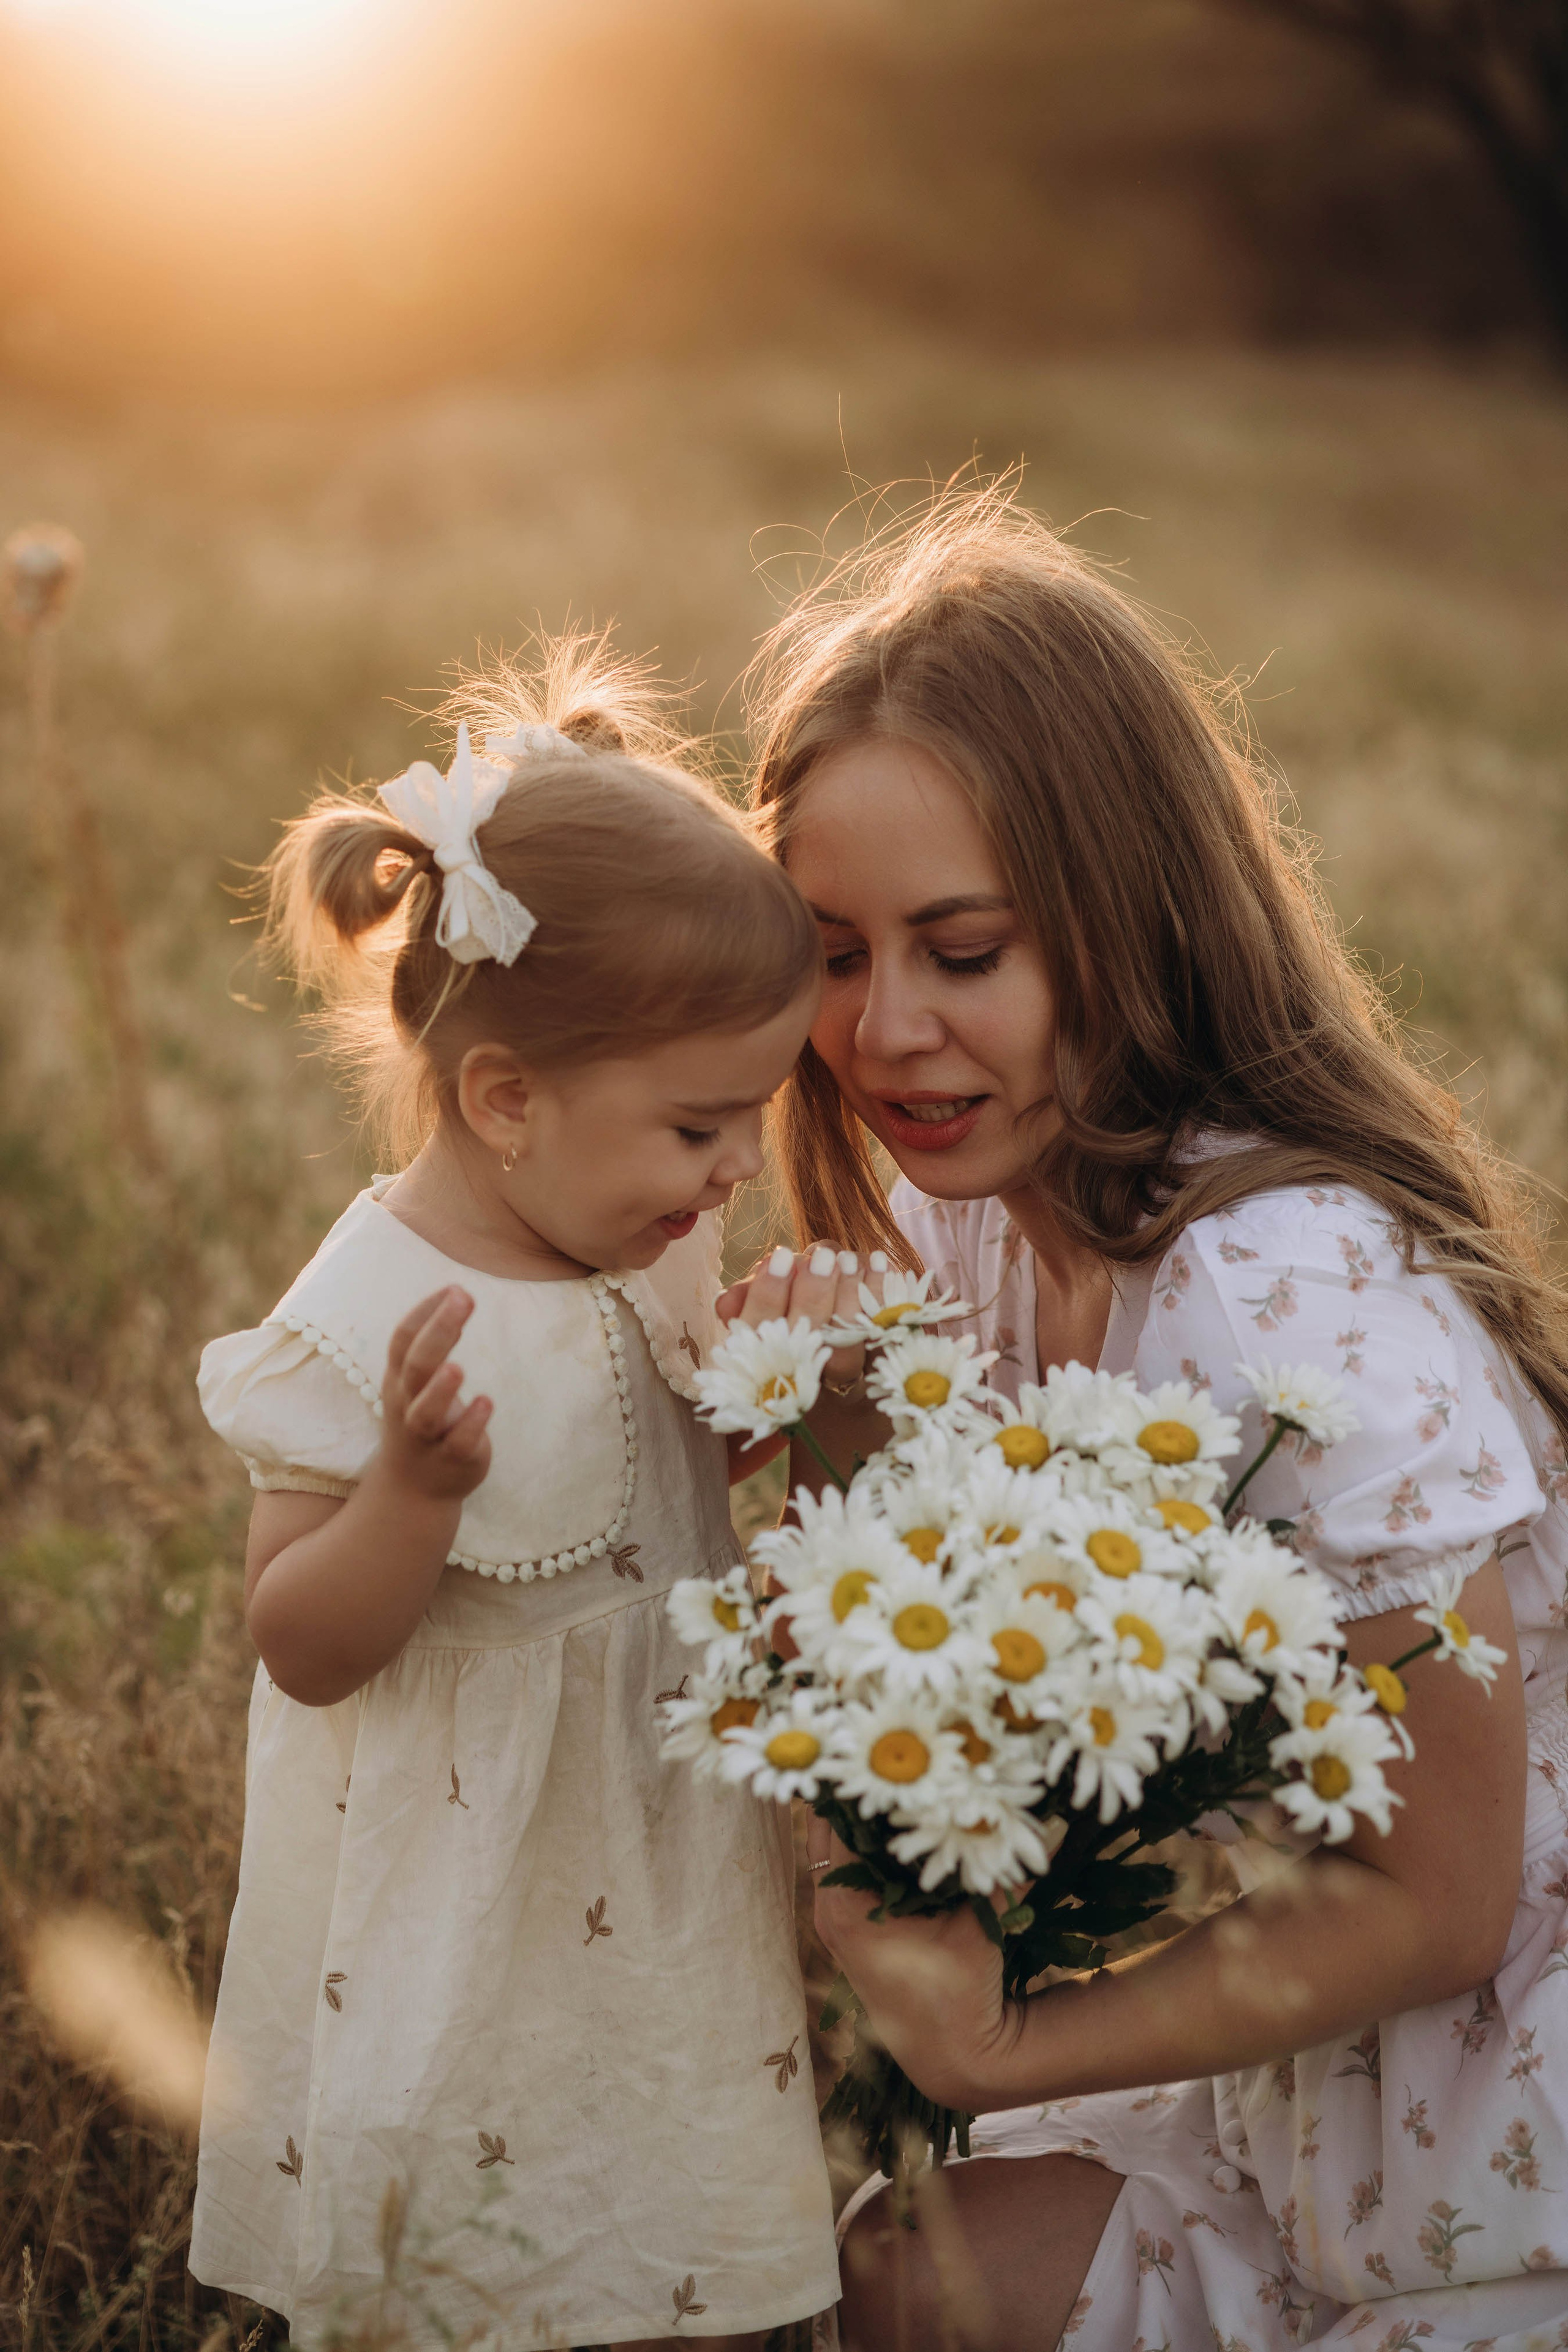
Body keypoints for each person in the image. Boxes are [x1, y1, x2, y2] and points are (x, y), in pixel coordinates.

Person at [726, 486, 1568, 2349]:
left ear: (1134, 921)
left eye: (965, 951)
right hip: (1296, 2066)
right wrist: (830, 1453)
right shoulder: (967, 1221)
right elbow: (976, 1716)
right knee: (890, 2271)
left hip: (1505, 2099)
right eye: (835, 953)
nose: (884, 1034)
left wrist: (1003, 2047)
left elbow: (1444, 1895)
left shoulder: (1285, 1291)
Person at [192, 643, 839, 2349]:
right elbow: (300, 1641)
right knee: (487, 2239)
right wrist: (411, 1496)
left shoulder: (644, 1241)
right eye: (701, 1128)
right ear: (506, 1100)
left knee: (674, 2179)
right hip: (474, 1899)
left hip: (657, 1844)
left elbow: (643, 1484)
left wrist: (773, 1394)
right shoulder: (370, 1324)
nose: (737, 1171)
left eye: (751, 1122)